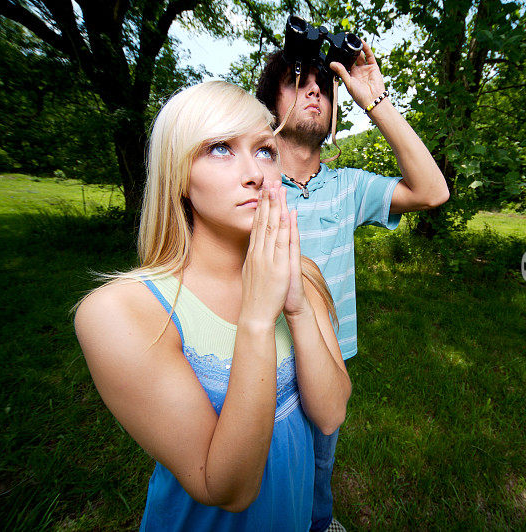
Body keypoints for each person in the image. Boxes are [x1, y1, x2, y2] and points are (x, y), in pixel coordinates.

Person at [74, 80, 351, 531]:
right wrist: (258, 319)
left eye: (265, 150)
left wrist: (297, 310)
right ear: (177, 175)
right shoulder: (120, 312)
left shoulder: (302, 273)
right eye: (220, 148)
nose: (256, 174)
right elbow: (228, 490)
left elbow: (331, 413)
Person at [256, 40, 450, 531]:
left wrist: (374, 100)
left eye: (323, 87)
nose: (315, 92)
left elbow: (433, 190)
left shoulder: (348, 186)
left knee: (321, 465)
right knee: (260, 472)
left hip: (329, 359)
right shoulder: (247, 182)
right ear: (270, 105)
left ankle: (319, 525)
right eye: (298, 83)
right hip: (258, 358)